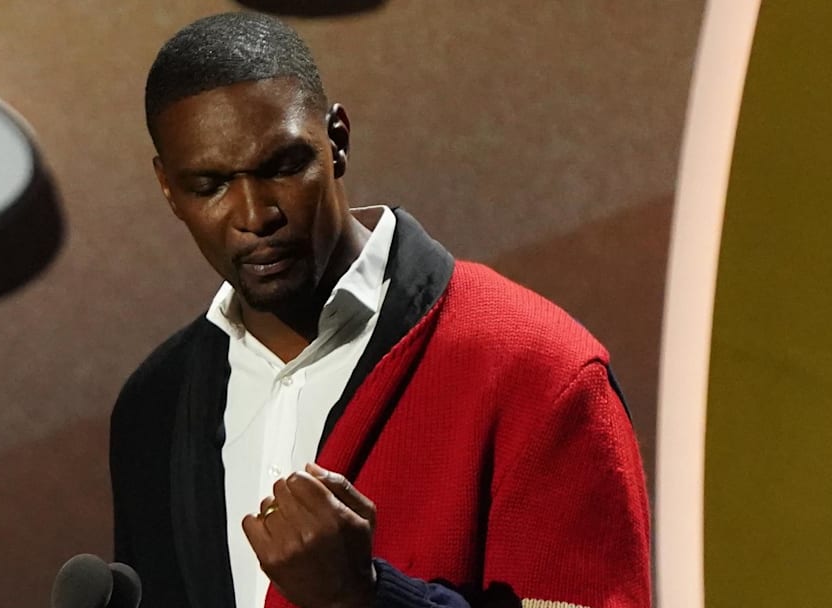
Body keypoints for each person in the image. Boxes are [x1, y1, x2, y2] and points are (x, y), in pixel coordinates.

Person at [110, 11, 650, 608]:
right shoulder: (153, 408)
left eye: (284, 166)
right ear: (168, 188)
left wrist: (362, 597)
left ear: (336, 139)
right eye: (209, 185)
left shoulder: (537, 368)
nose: (255, 215)